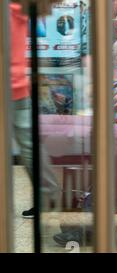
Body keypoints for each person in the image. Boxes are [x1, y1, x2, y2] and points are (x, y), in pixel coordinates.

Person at [9, 1, 62, 219]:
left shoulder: (11, 10)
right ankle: (49, 195)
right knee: (31, 146)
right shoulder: (18, 10)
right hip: (17, 85)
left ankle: (50, 195)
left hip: (12, 86)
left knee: (31, 147)